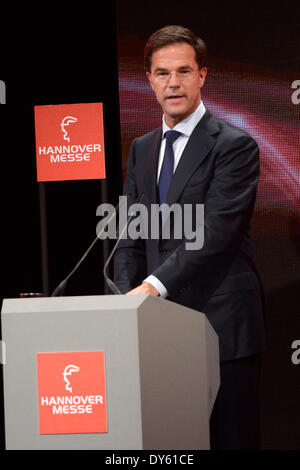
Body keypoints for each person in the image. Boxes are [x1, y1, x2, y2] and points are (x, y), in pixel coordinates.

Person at [114, 25, 267, 450]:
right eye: (162, 74)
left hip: (222, 326)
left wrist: (150, 287)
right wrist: (128, 301)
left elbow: (216, 231)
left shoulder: (234, 146)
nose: (173, 83)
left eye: (183, 71)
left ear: (202, 75)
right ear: (149, 79)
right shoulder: (141, 149)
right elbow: (130, 233)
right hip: (158, 333)